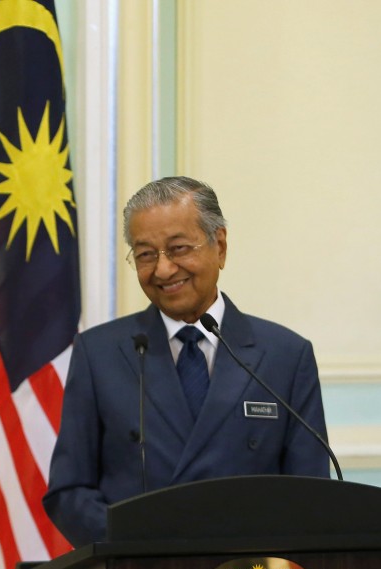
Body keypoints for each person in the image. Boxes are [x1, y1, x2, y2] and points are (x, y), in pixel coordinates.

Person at [43, 176, 330, 547]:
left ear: (220, 246)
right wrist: (137, 543)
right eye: (146, 254)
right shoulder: (98, 354)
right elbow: (69, 492)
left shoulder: (285, 356)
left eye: (178, 248)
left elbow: (310, 495)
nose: (162, 270)